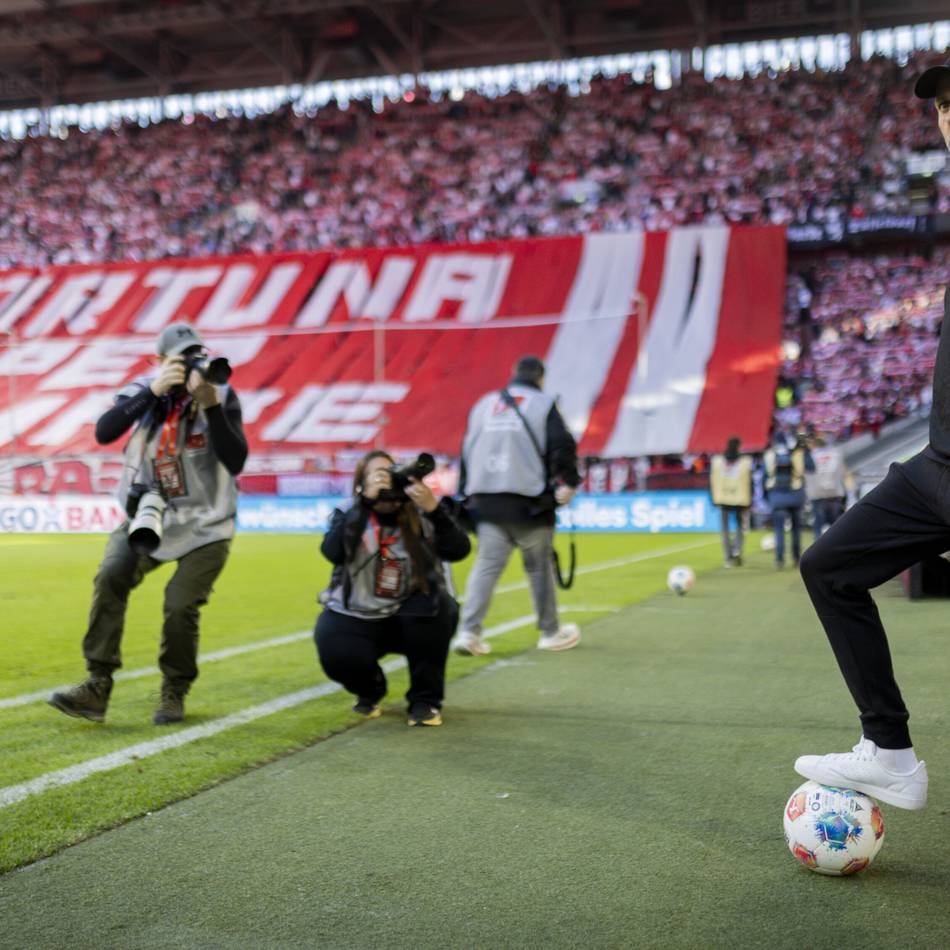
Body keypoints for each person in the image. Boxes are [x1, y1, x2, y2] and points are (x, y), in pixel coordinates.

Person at [793, 60, 950, 811]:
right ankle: (888, 750)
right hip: (938, 466)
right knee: (829, 567)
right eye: (946, 105)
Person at [49, 322, 248, 725]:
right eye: (181, 359)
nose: (192, 365)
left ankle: (174, 689)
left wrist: (208, 404)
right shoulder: (142, 390)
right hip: (150, 514)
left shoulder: (220, 395)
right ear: (158, 362)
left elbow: (237, 460)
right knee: (111, 574)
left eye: (197, 356)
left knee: (179, 604)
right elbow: (106, 432)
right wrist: (154, 390)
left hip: (207, 524)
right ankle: (96, 685)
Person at [315, 451, 470, 727]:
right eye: (378, 475)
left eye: (392, 473)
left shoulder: (423, 511)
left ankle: (425, 701)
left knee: (437, 610)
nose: (388, 481)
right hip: (358, 611)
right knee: (333, 644)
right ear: (362, 483)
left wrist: (435, 510)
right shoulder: (350, 511)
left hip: (412, 611)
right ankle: (370, 689)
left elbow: (459, 550)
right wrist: (364, 504)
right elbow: (333, 551)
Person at [452, 355, 581, 657]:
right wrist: (569, 482)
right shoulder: (542, 404)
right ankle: (549, 632)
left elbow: (466, 449)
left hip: (486, 500)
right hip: (529, 502)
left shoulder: (484, 404)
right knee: (538, 568)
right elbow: (562, 445)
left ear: (513, 374)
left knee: (486, 567)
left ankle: (468, 633)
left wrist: (465, 494)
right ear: (540, 378)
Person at [763, 432, 813, 569]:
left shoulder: (769, 455)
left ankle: (779, 560)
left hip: (777, 495)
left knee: (779, 529)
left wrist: (766, 497)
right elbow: (812, 467)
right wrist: (806, 450)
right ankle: (796, 559)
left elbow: (764, 477)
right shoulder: (798, 453)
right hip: (796, 495)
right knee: (796, 529)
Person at [709, 436, 752, 567]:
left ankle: (728, 557)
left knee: (725, 528)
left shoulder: (718, 461)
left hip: (723, 497)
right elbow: (748, 481)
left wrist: (713, 496)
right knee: (740, 525)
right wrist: (750, 497)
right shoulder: (745, 461)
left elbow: (712, 479)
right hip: (740, 497)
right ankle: (737, 549)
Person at [804, 435, 854, 540]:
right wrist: (851, 495)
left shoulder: (810, 457)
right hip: (835, 495)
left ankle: (818, 555)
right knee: (836, 530)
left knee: (818, 530)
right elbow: (846, 475)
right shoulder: (836, 455)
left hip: (817, 496)